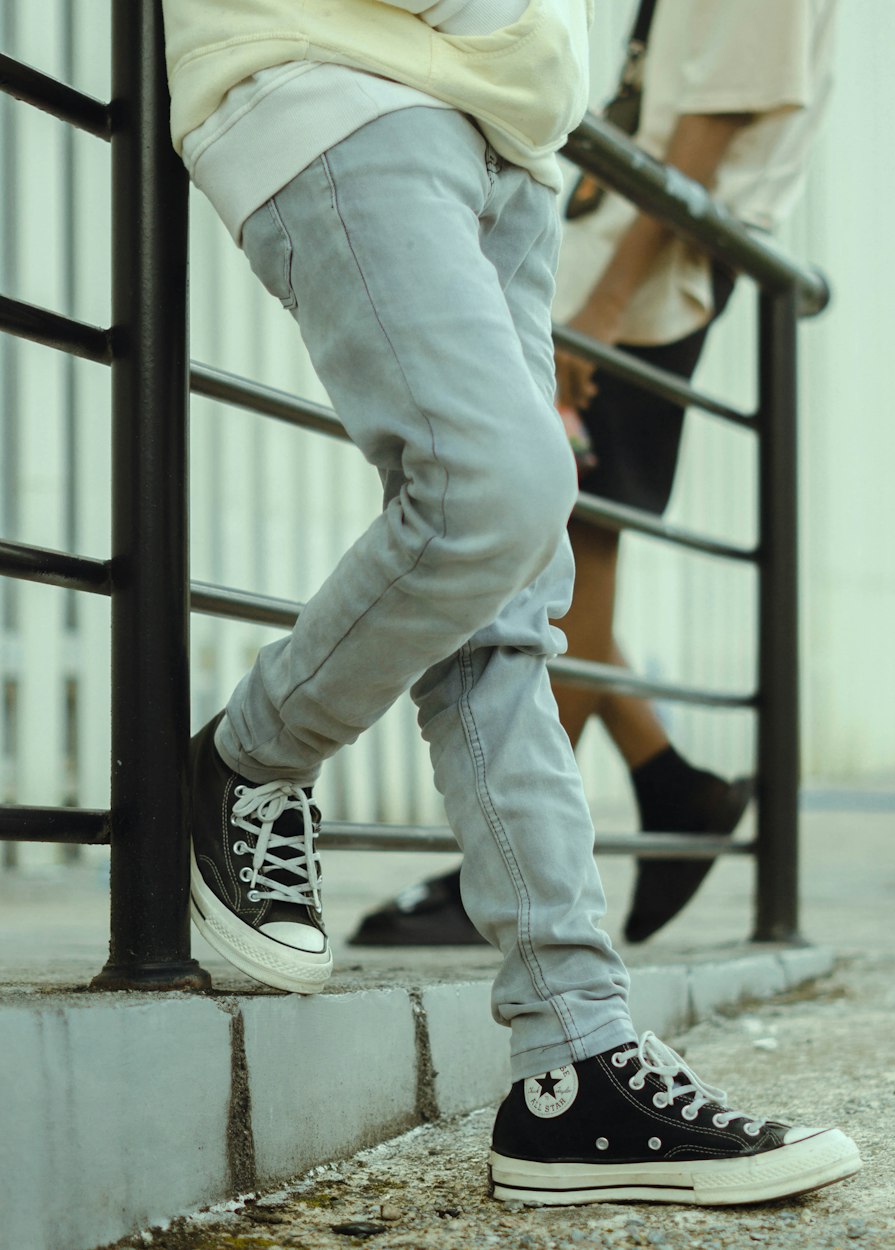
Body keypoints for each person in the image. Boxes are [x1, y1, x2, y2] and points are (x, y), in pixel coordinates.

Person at [164, 0, 859, 1205]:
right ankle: (245, 755)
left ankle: (573, 1063)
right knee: (495, 492)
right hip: (342, 76)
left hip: (518, 128)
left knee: (512, 598)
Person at [351, 0, 837, 948]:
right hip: (620, 280)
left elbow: (711, 125)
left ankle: (517, 866)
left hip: (639, 292)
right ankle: (663, 790)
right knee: (565, 562)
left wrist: (604, 314)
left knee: (554, 564)